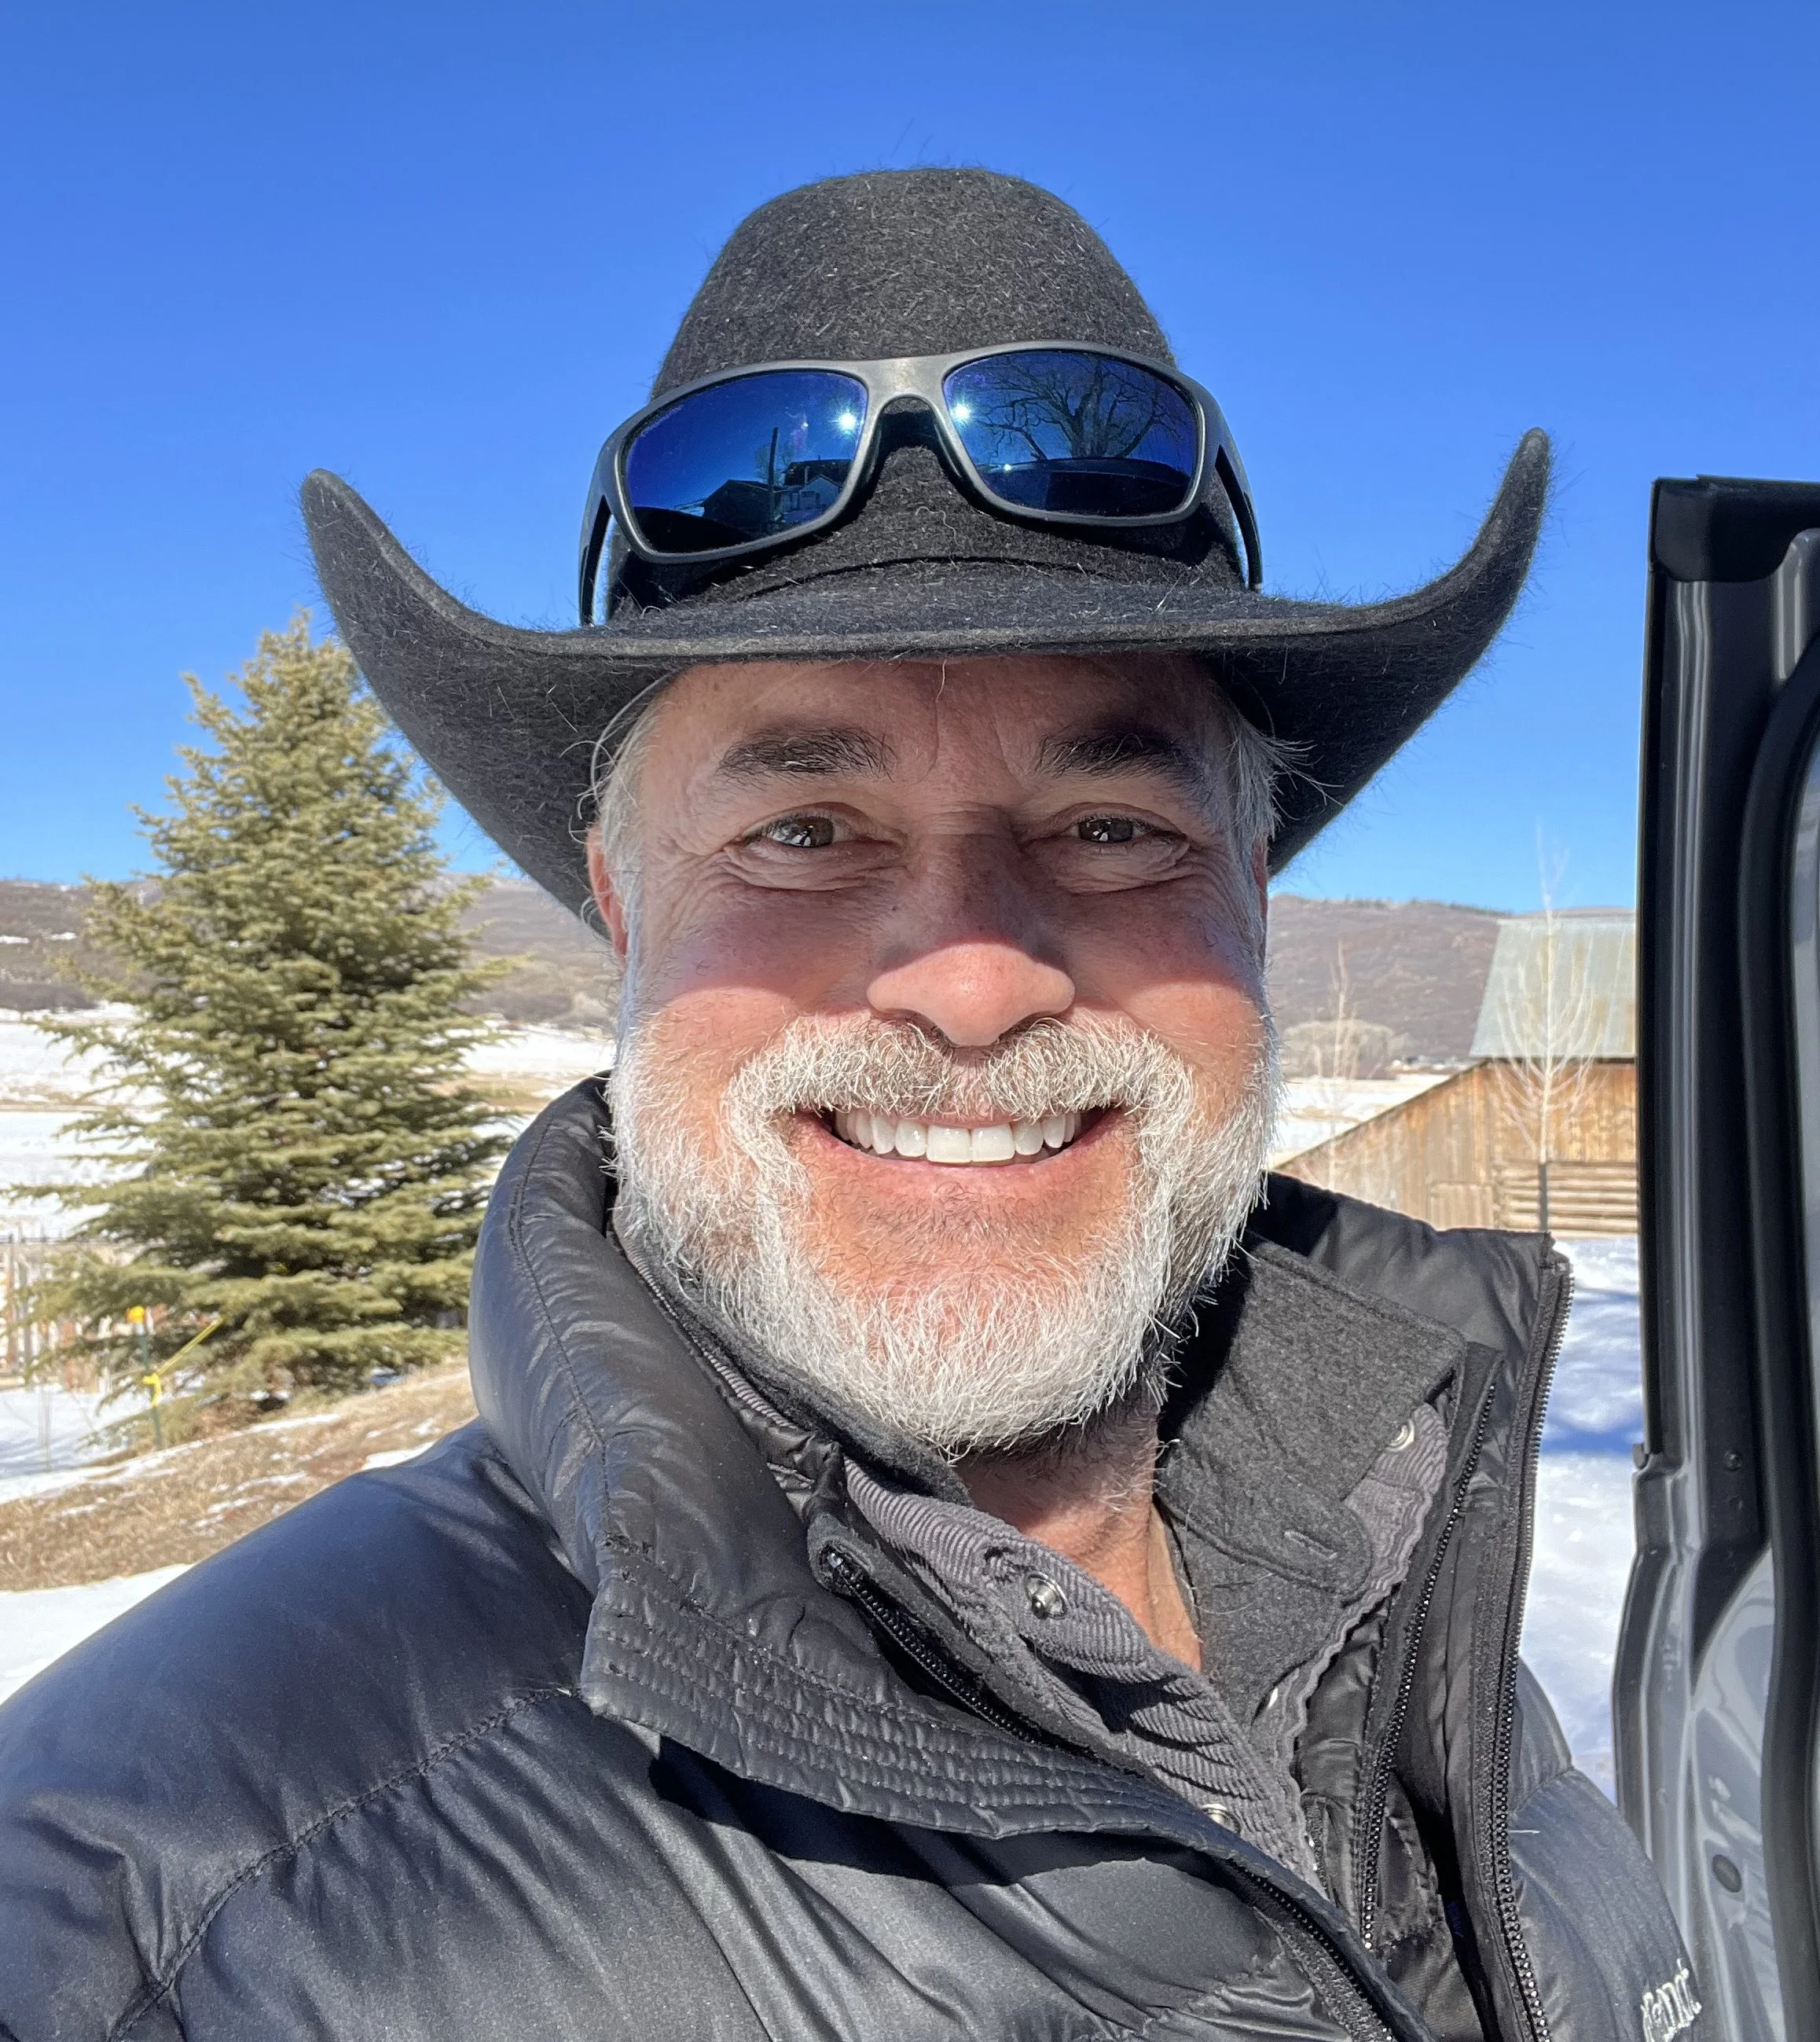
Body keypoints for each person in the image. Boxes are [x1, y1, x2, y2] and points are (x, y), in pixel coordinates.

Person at [0, 171, 1690, 2040]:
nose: (973, 977)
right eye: (806, 830)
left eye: (1113, 827)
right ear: (623, 908)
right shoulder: (169, 1919)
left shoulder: (1409, 1550)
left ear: (1255, 897)